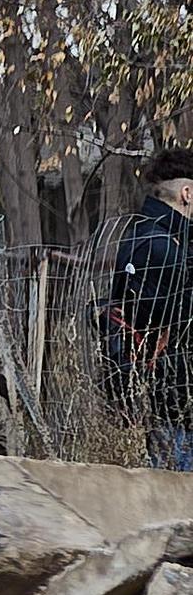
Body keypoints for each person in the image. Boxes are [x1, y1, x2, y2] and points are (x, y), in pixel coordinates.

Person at [107, 149, 193, 468]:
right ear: (186, 193)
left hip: (163, 402)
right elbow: (173, 326)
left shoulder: (145, 236)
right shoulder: (162, 247)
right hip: (177, 408)